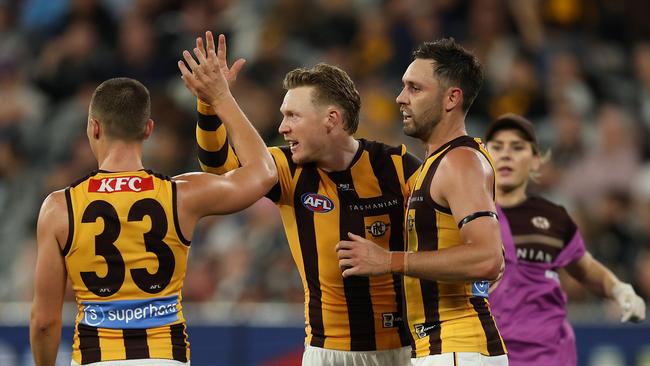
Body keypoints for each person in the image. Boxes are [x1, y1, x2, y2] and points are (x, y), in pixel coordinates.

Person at [29, 39, 277, 366]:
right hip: (165, 356)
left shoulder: (60, 207)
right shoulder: (181, 194)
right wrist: (219, 99)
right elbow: (264, 171)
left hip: (95, 357)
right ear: (148, 129)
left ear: (94, 127)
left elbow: (44, 321)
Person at [194, 32, 419, 365]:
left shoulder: (396, 166)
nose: (283, 127)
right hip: (325, 352)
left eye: (293, 116)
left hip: (404, 351)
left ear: (331, 119)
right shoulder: (287, 168)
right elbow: (218, 168)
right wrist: (209, 103)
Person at [336, 39, 508, 365]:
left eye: (415, 88)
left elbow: (487, 260)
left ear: (451, 98)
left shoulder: (461, 162)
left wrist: (389, 261)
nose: (400, 98)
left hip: (458, 348)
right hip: (441, 350)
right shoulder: (432, 166)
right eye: (403, 87)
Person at [483, 113, 646, 366]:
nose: (506, 154)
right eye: (497, 146)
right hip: (489, 353)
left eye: (517, 147)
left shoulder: (554, 218)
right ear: (484, 156)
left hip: (548, 354)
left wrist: (619, 290)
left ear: (536, 161)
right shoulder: (465, 215)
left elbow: (585, 269)